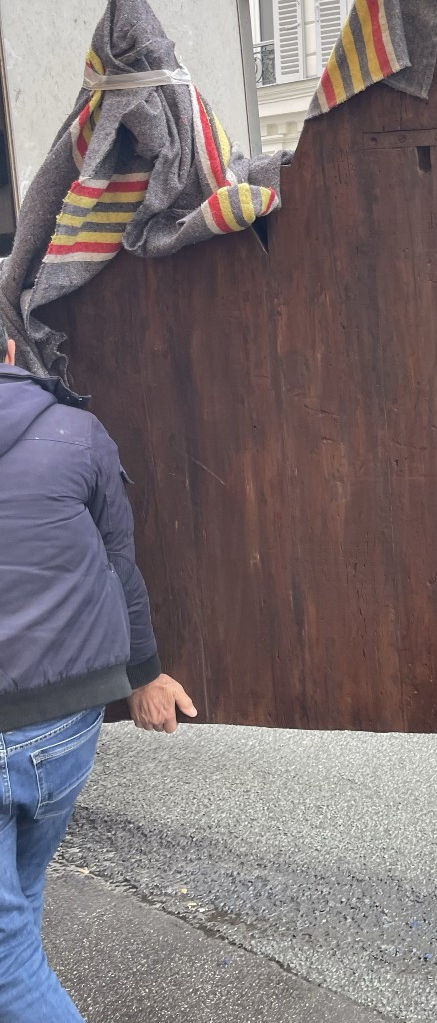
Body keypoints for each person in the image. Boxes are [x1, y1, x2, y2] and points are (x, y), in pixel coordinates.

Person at [0, 322, 195, 1022]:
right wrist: (146, 675)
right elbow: (120, 564)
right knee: (16, 912)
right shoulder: (77, 433)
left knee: (6, 954)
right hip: (64, 721)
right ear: (12, 354)